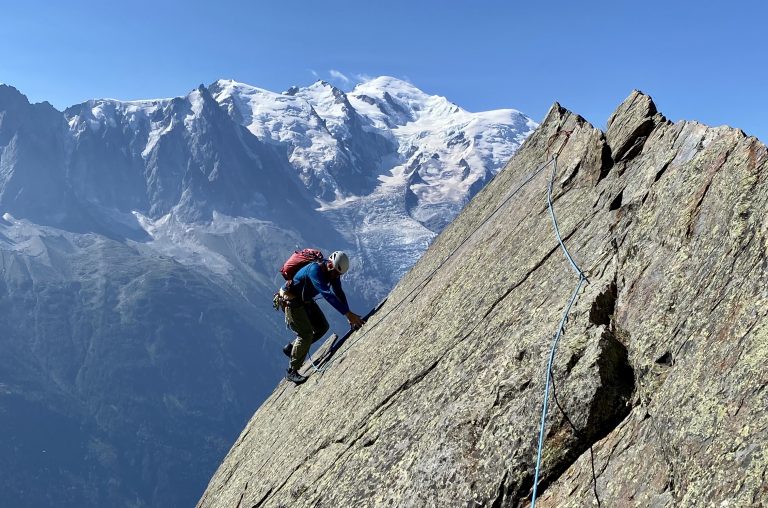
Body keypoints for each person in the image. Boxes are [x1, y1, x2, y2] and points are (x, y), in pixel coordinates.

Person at [279, 251, 364, 384]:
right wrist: (348, 314)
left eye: (339, 274)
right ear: (330, 265)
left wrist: (349, 314)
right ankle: (291, 371)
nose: (336, 277)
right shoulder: (315, 270)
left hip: (304, 300)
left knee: (322, 327)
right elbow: (327, 294)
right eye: (336, 273)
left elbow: (339, 292)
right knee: (306, 334)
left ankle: (292, 348)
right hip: (291, 301)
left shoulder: (333, 272)